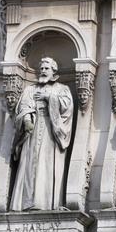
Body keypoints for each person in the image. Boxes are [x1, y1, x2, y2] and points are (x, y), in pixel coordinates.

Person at [10, 57, 74, 211]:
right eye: (42, 68)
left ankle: (45, 203)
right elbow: (23, 106)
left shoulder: (62, 88)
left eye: (47, 68)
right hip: (32, 130)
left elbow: (68, 108)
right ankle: (25, 203)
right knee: (29, 164)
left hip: (51, 130)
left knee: (46, 165)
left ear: (54, 71)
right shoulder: (30, 89)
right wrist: (26, 118)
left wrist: (49, 97)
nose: (43, 71)